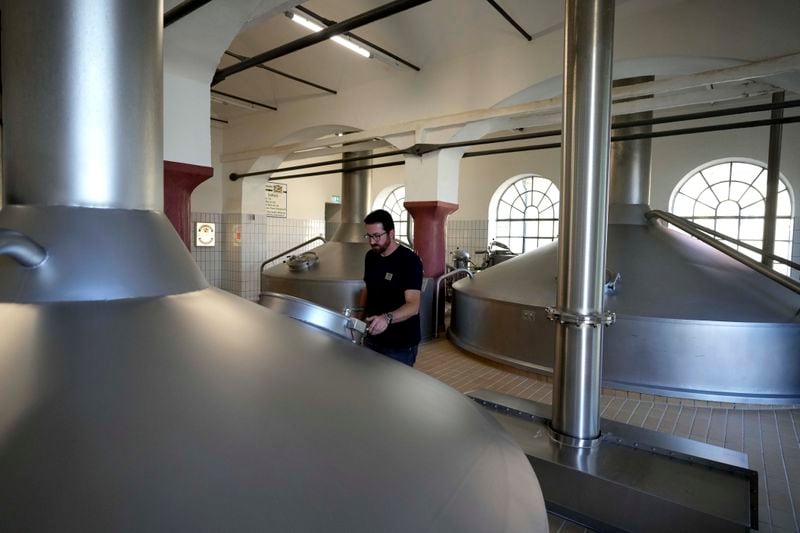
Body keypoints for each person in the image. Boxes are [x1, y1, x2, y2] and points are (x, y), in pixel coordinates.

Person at [358, 209, 423, 366]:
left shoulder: (409, 260)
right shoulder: (371, 257)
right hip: (371, 338)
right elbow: (368, 289)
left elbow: (413, 305)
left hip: (400, 345)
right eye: (369, 236)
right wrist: (359, 317)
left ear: (391, 233)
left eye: (377, 236)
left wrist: (387, 318)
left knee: (395, 390)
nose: (372, 241)